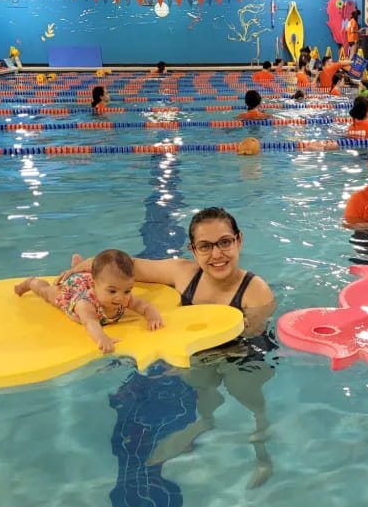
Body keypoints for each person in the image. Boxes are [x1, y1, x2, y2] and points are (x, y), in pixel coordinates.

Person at [61, 207, 278, 489]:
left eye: (225, 242)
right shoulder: (183, 274)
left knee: (250, 400)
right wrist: (81, 269)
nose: (217, 254)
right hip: (198, 354)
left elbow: (250, 341)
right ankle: (204, 422)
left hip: (244, 357)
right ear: (193, 250)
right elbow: (127, 266)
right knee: (202, 386)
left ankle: (262, 455)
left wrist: (188, 362)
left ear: (239, 240)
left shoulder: (255, 290)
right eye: (205, 246)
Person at [14, 249, 163, 353]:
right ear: (93, 284)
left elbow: (145, 307)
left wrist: (153, 318)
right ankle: (30, 283)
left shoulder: (123, 297)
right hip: (73, 289)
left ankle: (78, 266)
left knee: (103, 280)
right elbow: (90, 322)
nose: (120, 297)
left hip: (93, 281)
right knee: (46, 292)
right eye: (112, 291)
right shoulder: (84, 304)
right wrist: (102, 338)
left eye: (127, 290)